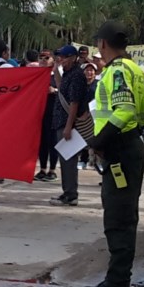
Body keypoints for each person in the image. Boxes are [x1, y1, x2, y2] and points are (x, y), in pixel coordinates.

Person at [80, 21, 144, 287]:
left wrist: (99, 141)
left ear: (103, 44)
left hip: (120, 151)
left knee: (118, 220)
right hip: (128, 147)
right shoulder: (132, 68)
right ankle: (116, 280)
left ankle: (117, 285)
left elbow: (125, 110)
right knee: (122, 216)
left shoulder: (117, 71)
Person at [51, 44, 90, 205]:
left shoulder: (76, 76)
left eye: (65, 57)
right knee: (64, 159)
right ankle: (67, 191)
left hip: (68, 123)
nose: (62, 60)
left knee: (69, 160)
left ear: (73, 58)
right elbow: (62, 90)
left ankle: (70, 194)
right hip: (61, 121)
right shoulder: (68, 74)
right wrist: (56, 70)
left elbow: (74, 103)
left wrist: (68, 126)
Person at [37, 50, 59, 182]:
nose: (44, 60)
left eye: (47, 57)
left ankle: (52, 170)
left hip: (53, 113)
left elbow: (64, 90)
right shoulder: (34, 75)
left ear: (52, 60)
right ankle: (42, 169)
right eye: (41, 57)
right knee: (42, 142)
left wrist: (54, 90)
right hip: (40, 113)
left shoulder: (56, 75)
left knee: (53, 142)